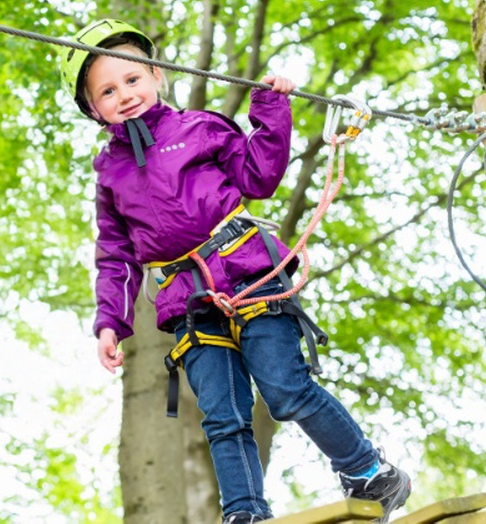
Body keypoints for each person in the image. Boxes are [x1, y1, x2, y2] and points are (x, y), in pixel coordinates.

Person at [58, 19, 412, 524]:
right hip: (188, 302)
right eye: (108, 91)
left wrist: (271, 109)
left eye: (132, 79)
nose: (125, 95)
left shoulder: (197, 127)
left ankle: (367, 470)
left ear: (157, 75)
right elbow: (115, 254)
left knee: (285, 388)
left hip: (248, 273)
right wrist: (110, 321)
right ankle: (245, 512)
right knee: (222, 415)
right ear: (95, 110)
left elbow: (259, 175)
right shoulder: (110, 174)